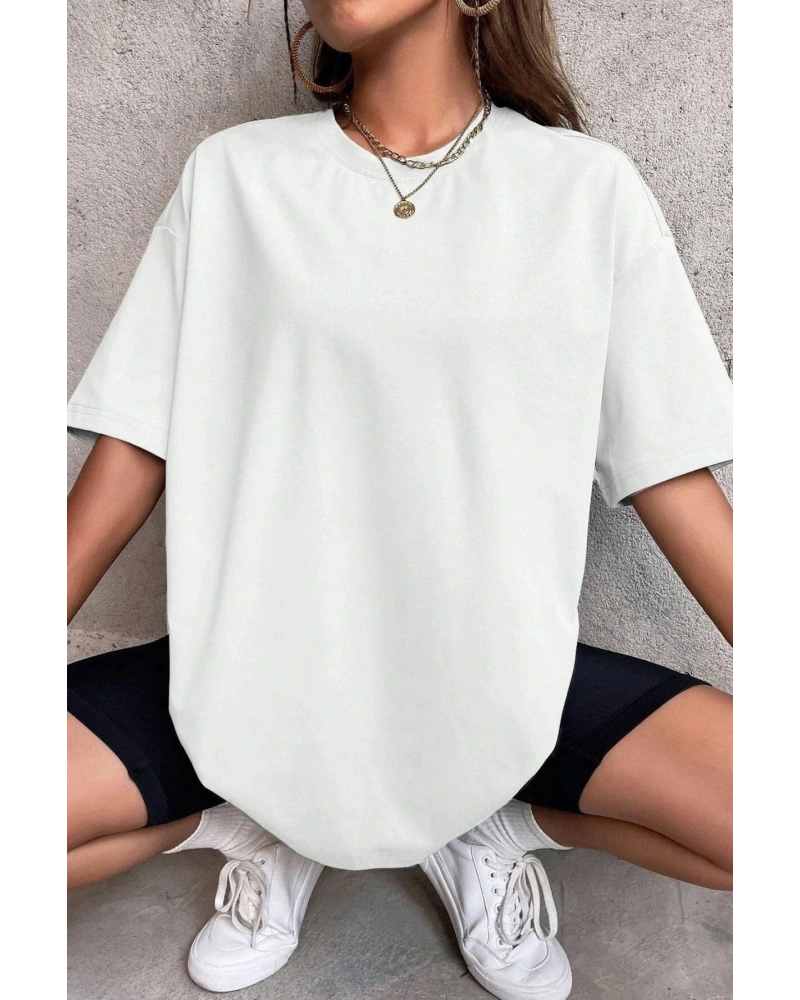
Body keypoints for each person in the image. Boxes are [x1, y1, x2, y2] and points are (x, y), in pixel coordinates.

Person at [64, 2, 734, 998]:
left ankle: (490, 824)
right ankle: (254, 822)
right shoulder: (235, 175)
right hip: (245, 676)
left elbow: (671, 474)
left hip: (507, 682)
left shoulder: (584, 190)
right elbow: (133, 451)